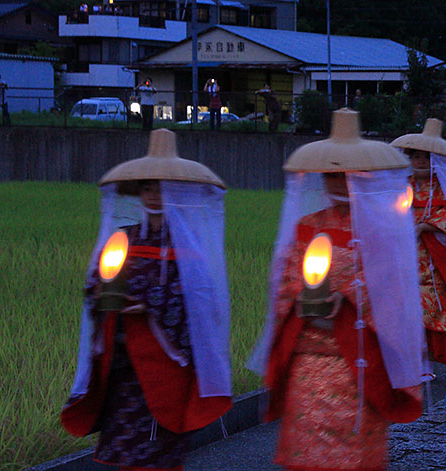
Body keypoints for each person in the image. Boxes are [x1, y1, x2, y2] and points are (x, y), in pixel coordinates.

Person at [248, 109, 426, 471]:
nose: (338, 184)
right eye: (331, 176)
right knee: (306, 455)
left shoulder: (381, 231)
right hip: (308, 361)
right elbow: (284, 281)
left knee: (354, 457)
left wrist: (345, 298)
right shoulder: (305, 226)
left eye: (346, 175)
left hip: (357, 362)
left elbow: (393, 293)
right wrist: (301, 296)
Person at [61, 129, 233, 471]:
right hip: (123, 367)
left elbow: (200, 304)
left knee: (159, 454)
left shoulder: (189, 247)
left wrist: (151, 307)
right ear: (139, 192)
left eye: (162, 187)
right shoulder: (124, 239)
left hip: (165, 368)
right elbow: (98, 280)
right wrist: (98, 293)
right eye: (148, 187)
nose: (155, 194)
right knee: (125, 454)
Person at [391, 119, 446, 365]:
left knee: (431, 308)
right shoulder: (401, 186)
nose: (420, 162)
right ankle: (410, 361)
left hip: (436, 258)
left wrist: (424, 227)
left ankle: (427, 360)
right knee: (404, 307)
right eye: (416, 156)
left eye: (426, 157)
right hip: (406, 254)